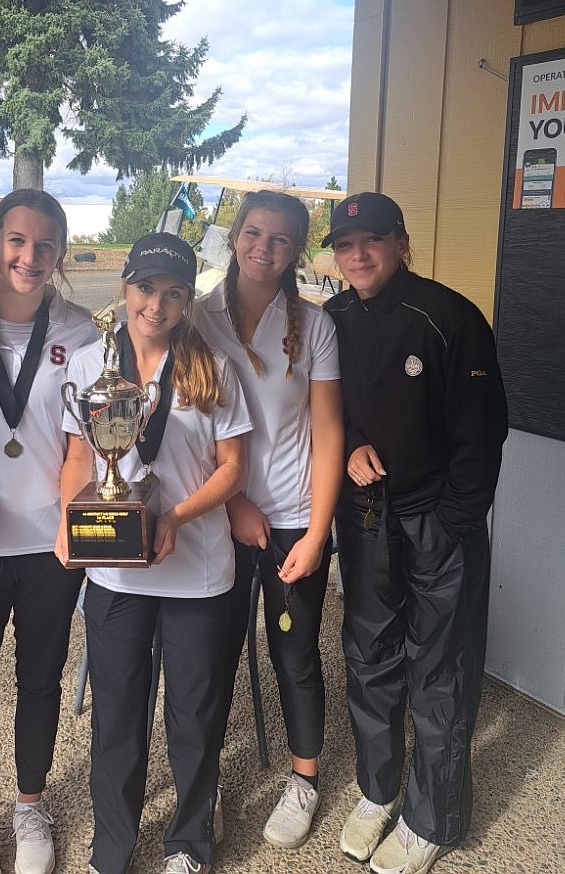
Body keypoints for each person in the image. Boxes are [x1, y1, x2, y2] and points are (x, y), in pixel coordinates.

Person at [322, 192, 508, 874]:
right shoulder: (332, 317)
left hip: (439, 518)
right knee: (370, 657)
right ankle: (377, 790)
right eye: (345, 245)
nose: (358, 255)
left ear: (401, 241)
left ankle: (433, 816)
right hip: (367, 515)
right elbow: (329, 410)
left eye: (372, 240)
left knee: (440, 670)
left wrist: (453, 525)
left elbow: (483, 437)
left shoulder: (450, 317)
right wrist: (348, 452)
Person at [55, 232, 252, 874]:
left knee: (194, 717)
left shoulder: (211, 365)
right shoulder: (89, 364)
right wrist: (68, 523)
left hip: (197, 573)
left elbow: (232, 470)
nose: (156, 305)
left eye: (173, 293)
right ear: (124, 288)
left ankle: (189, 842)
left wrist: (175, 516)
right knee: (115, 717)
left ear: (187, 299)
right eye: (145, 288)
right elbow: (82, 456)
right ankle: (111, 847)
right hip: (115, 574)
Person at [0, 190, 98, 874]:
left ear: (60, 251)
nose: (29, 257)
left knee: (40, 679)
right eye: (15, 240)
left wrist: (76, 522)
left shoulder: (85, 329)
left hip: (50, 544)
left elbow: (86, 443)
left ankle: (31, 803)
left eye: (44, 245)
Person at [196, 190, 344, 850]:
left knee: (297, 653)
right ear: (234, 236)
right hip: (216, 520)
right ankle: (203, 788)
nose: (264, 247)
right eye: (253, 232)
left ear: (296, 252)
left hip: (294, 523)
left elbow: (330, 430)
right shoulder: (195, 318)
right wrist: (231, 501)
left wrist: (317, 532)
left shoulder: (314, 326)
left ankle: (304, 779)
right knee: (213, 657)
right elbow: (183, 433)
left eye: (281, 239)